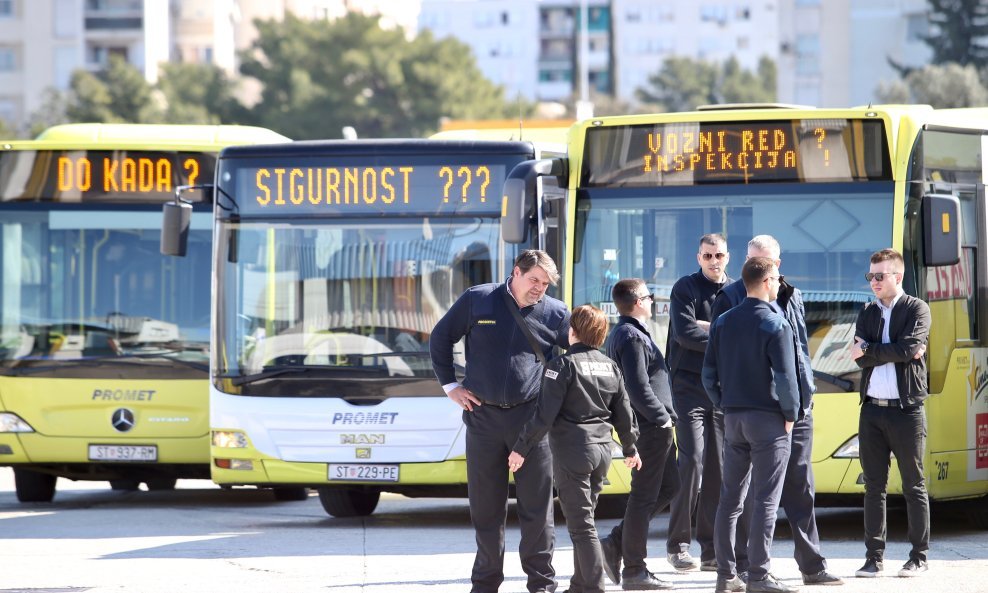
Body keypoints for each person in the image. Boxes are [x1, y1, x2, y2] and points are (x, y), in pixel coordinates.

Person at [430, 249, 570, 593]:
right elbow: (440, 337)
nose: (539, 288)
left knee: (537, 509)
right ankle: (485, 583)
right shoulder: (478, 299)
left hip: (531, 421)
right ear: (516, 273)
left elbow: (571, 359)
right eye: (534, 279)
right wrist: (450, 386)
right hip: (483, 417)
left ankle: (542, 584)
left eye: (545, 283)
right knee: (486, 508)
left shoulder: (556, 312)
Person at [710, 235, 843, 587]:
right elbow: (717, 359)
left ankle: (811, 564)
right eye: (756, 260)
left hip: (792, 408)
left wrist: (801, 402)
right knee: (751, 496)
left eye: (768, 260)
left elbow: (799, 350)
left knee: (800, 485)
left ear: (777, 265)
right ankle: (745, 569)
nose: (764, 267)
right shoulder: (731, 299)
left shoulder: (792, 294)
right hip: (767, 412)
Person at [509, 305, 642, 593]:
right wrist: (631, 449)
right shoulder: (611, 366)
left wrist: (521, 448)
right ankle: (580, 584)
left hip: (574, 453)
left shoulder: (562, 365)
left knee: (581, 527)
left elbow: (543, 415)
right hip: (602, 453)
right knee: (587, 520)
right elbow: (625, 414)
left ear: (572, 331)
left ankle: (593, 587)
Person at [703, 256, 801, 593]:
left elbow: (708, 375)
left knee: (730, 500)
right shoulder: (776, 323)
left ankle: (725, 575)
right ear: (765, 281)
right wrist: (791, 414)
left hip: (733, 418)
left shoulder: (723, 321)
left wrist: (725, 405)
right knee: (765, 501)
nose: (779, 284)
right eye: (776, 278)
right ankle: (758, 577)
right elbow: (787, 378)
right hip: (768, 420)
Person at [850, 248, 931, 578]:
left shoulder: (917, 309)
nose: (874, 282)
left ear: (897, 277)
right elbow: (857, 356)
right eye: (870, 276)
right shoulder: (867, 311)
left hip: (906, 410)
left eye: (880, 276)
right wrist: (888, 351)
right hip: (871, 410)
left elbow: (910, 348)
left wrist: (871, 350)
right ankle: (874, 557)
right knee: (873, 487)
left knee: (913, 485)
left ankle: (919, 556)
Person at [599, 279, 679, 590]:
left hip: (654, 426)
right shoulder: (630, 336)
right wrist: (661, 419)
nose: (652, 300)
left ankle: (616, 542)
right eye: (648, 296)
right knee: (644, 496)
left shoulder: (630, 332)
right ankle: (634, 570)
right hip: (649, 427)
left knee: (670, 486)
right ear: (638, 302)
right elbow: (636, 386)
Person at [665, 233, 731, 572]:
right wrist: (721, 332)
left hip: (720, 389)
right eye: (707, 255)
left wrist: (708, 328)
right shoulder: (684, 288)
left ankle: (710, 549)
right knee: (690, 461)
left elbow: (743, 333)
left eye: (718, 254)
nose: (713, 260)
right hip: (687, 385)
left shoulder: (735, 291)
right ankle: (677, 545)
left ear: (728, 257)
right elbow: (684, 333)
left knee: (719, 468)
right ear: (698, 257)